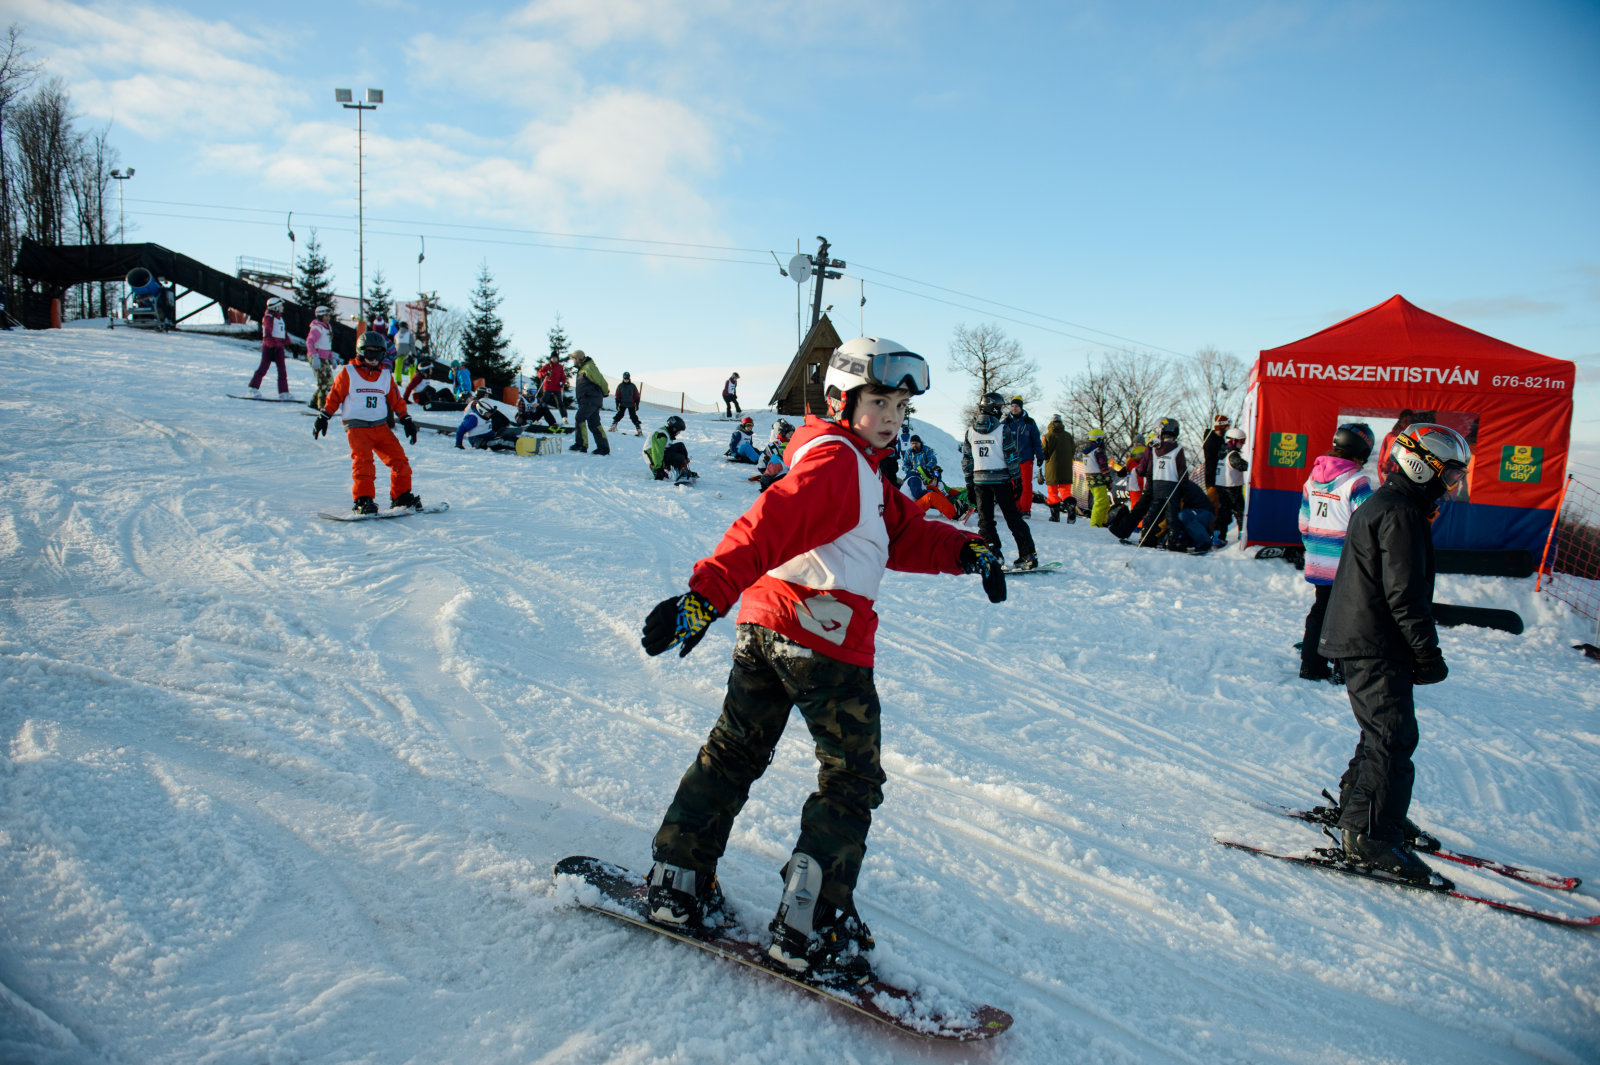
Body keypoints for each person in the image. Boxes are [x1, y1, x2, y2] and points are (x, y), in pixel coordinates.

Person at [638, 336, 1007, 985]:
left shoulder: (856, 468)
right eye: (878, 402)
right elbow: (767, 524)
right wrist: (705, 595)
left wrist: (964, 550)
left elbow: (903, 533)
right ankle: (812, 922)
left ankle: (679, 875)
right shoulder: (838, 463)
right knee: (850, 778)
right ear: (841, 399)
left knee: (734, 750)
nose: (892, 417)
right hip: (824, 642)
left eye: (901, 406)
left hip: (765, 628)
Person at [1318, 423, 1470, 884]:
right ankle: (1370, 835)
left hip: (1367, 637)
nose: (1453, 484)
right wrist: (1428, 654)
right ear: (1422, 467)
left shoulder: (1391, 504)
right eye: (1450, 474)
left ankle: (1361, 809)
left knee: (1381, 733)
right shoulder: (1401, 513)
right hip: (1374, 641)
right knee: (1394, 738)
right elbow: (1405, 595)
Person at [1298, 424, 1377, 682]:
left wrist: (1313, 548)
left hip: (1318, 558)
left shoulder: (1313, 478)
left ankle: (1311, 663)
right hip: (1345, 562)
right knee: (1346, 614)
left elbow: (1304, 520)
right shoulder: (1356, 482)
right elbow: (1368, 523)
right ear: (1363, 451)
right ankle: (1342, 668)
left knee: (1321, 608)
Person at [312, 330, 422, 514]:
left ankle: (401, 496)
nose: (373, 359)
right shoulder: (348, 373)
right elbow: (335, 396)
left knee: (400, 460)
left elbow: (396, 399)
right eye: (369, 354)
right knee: (363, 463)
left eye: (378, 355)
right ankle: (363, 500)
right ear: (361, 352)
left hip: (380, 427)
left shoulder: (385, 375)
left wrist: (406, 419)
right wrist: (324, 417)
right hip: (357, 428)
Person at [961, 391, 1038, 569]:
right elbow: (1011, 457)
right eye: (999, 408)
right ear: (993, 408)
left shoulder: (970, 432)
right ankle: (1028, 555)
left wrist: (969, 483)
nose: (1002, 411)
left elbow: (967, 460)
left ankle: (993, 553)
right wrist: (1017, 480)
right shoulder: (1003, 430)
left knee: (985, 520)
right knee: (1013, 518)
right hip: (1001, 481)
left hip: (980, 483)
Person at [1137, 418, 1187, 547]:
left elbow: (1150, 467)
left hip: (1157, 484)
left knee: (1154, 512)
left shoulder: (1155, 449)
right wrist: (1185, 485)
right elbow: (1182, 470)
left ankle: (1146, 536)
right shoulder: (1178, 449)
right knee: (1172, 514)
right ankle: (1172, 540)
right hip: (1172, 484)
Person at [247, 296, 293, 400]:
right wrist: (271, 345)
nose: (282, 308)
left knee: (282, 370)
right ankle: (252, 389)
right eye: (280, 306)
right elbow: (268, 332)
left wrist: (289, 343)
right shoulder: (268, 318)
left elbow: (282, 331)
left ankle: (284, 392)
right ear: (275, 307)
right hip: (269, 347)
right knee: (263, 368)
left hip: (279, 347)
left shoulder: (280, 318)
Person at [568, 349, 611, 455]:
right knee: (594, 424)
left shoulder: (588, 367)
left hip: (590, 399)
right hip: (589, 400)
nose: (573, 361)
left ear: (578, 359)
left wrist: (605, 392)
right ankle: (603, 448)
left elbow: (601, 381)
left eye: (573, 358)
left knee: (580, 418)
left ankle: (581, 444)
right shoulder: (583, 368)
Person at [1006, 397, 1043, 517]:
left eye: (1016, 406)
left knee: (1026, 484)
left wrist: (1039, 455)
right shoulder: (1006, 422)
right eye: (1012, 406)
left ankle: (1025, 509)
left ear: (1021, 408)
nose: (1014, 408)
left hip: (1026, 458)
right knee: (1012, 484)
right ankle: (1015, 508)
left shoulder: (1029, 422)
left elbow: (1036, 440)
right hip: (1010, 459)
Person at [1213, 427, 1248, 547]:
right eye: (1241, 441)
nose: (1242, 444)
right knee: (1240, 512)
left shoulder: (1222, 452)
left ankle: (1218, 537)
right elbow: (1242, 466)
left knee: (1223, 513)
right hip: (1232, 488)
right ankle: (1242, 536)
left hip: (1221, 487)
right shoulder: (1233, 455)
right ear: (1233, 441)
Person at [1039, 415, 1076, 523]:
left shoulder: (1047, 436)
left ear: (1051, 423)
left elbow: (1043, 452)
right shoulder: (1068, 436)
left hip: (1052, 468)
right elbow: (1073, 450)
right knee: (1066, 491)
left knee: (1052, 492)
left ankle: (1055, 516)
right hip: (1067, 468)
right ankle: (1070, 507)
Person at [644, 415, 696, 485]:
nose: (679, 433)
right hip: (653, 459)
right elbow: (657, 452)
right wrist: (659, 469)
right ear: (674, 429)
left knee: (681, 447)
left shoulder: (666, 434)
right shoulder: (661, 434)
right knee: (678, 455)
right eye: (679, 431)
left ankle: (683, 470)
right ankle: (682, 473)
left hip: (658, 458)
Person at [1079, 428, 1111, 527]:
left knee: (1105, 502)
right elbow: (1103, 467)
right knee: (1100, 502)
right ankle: (1096, 523)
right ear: (1098, 440)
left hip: (1090, 479)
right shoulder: (1098, 451)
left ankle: (1103, 521)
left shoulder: (1087, 452)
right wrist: (1108, 480)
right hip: (1099, 480)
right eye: (1102, 439)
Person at [306, 305, 336, 410]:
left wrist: (331, 357)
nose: (328, 318)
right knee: (323, 382)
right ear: (320, 316)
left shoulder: (328, 327)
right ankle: (322, 406)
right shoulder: (317, 328)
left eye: (329, 316)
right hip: (317, 358)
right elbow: (309, 342)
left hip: (324, 358)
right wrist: (314, 356)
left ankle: (314, 402)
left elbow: (327, 344)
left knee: (330, 382)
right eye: (325, 316)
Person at [1201, 414, 1231, 518]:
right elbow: (1213, 457)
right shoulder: (1211, 440)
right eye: (1226, 427)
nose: (1228, 429)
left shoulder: (1220, 440)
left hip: (1220, 479)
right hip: (1212, 478)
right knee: (1213, 506)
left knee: (1222, 508)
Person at [902, 435, 939, 499]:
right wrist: (910, 471)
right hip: (914, 473)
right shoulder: (908, 452)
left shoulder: (927, 450)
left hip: (927, 473)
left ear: (920, 443)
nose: (914, 445)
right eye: (912, 444)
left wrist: (924, 469)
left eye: (916, 443)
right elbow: (904, 464)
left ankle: (935, 494)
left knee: (937, 477)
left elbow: (933, 460)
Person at [538, 355, 569, 423]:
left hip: (556, 387)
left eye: (555, 358)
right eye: (553, 358)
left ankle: (564, 417)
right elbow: (539, 373)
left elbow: (563, 377)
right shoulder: (547, 366)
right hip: (548, 386)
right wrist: (545, 374)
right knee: (544, 400)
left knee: (559, 402)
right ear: (551, 359)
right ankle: (539, 414)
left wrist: (562, 382)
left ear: (557, 359)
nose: (554, 359)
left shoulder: (560, 367)